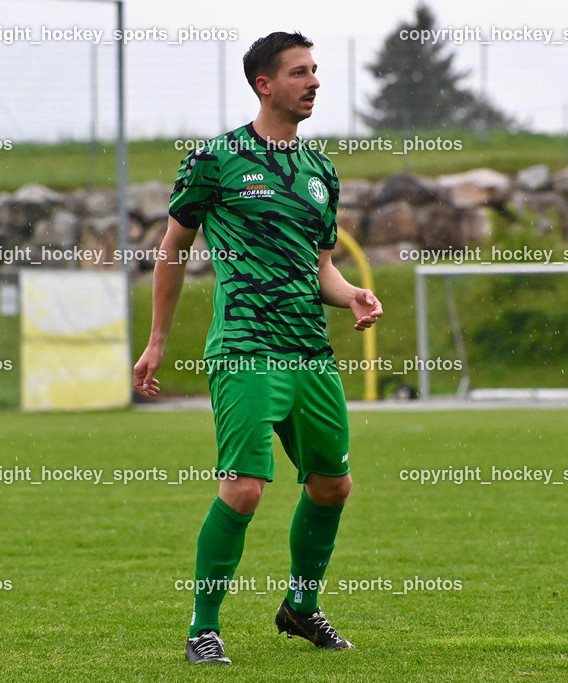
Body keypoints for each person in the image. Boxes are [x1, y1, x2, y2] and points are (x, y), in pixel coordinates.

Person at [133, 31, 383, 665]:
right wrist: (157, 342)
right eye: (300, 73)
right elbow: (173, 249)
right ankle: (202, 630)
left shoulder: (320, 170)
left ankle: (301, 608)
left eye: (316, 71)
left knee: (333, 486)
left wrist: (350, 292)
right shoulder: (216, 159)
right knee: (244, 488)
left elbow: (320, 267)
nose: (315, 82)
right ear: (264, 84)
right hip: (245, 347)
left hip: (310, 352)